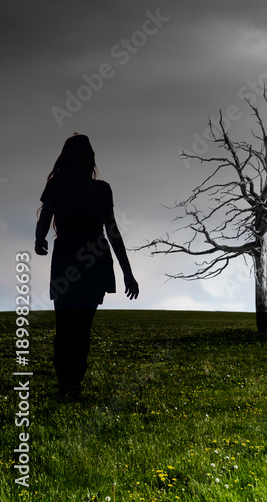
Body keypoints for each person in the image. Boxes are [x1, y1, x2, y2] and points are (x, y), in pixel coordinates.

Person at [35, 134, 139, 400]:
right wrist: (39, 238)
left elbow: (112, 230)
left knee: (77, 329)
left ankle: (71, 384)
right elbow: (46, 216)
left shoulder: (100, 189)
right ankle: (68, 383)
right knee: (70, 329)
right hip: (74, 262)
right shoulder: (61, 186)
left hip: (89, 263)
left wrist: (128, 272)